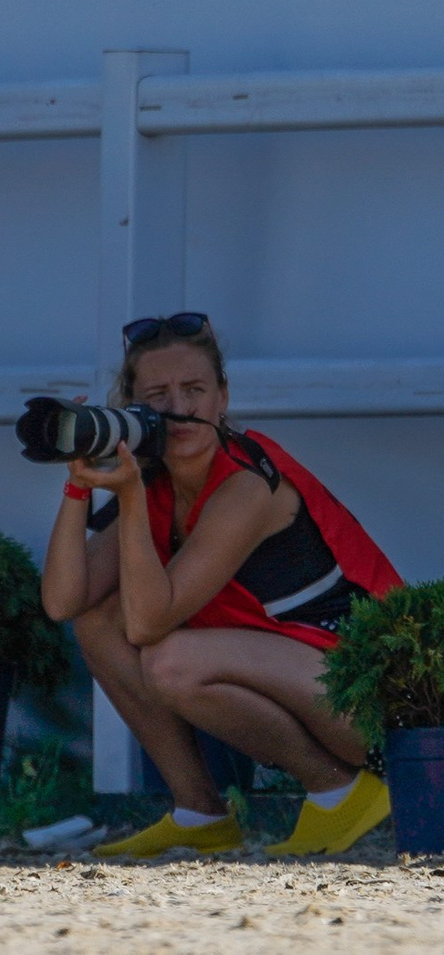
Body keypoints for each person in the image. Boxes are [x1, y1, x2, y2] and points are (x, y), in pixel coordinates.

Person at [41, 312, 400, 858]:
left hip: (374, 711)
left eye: (195, 389)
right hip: (309, 684)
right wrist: (77, 486)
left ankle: (340, 791)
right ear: (132, 406)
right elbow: (64, 601)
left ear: (222, 397)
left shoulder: (246, 486)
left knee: (172, 661)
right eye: (158, 394)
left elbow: (149, 623)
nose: (180, 408)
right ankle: (199, 811)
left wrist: (132, 496)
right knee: (97, 622)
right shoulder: (157, 479)